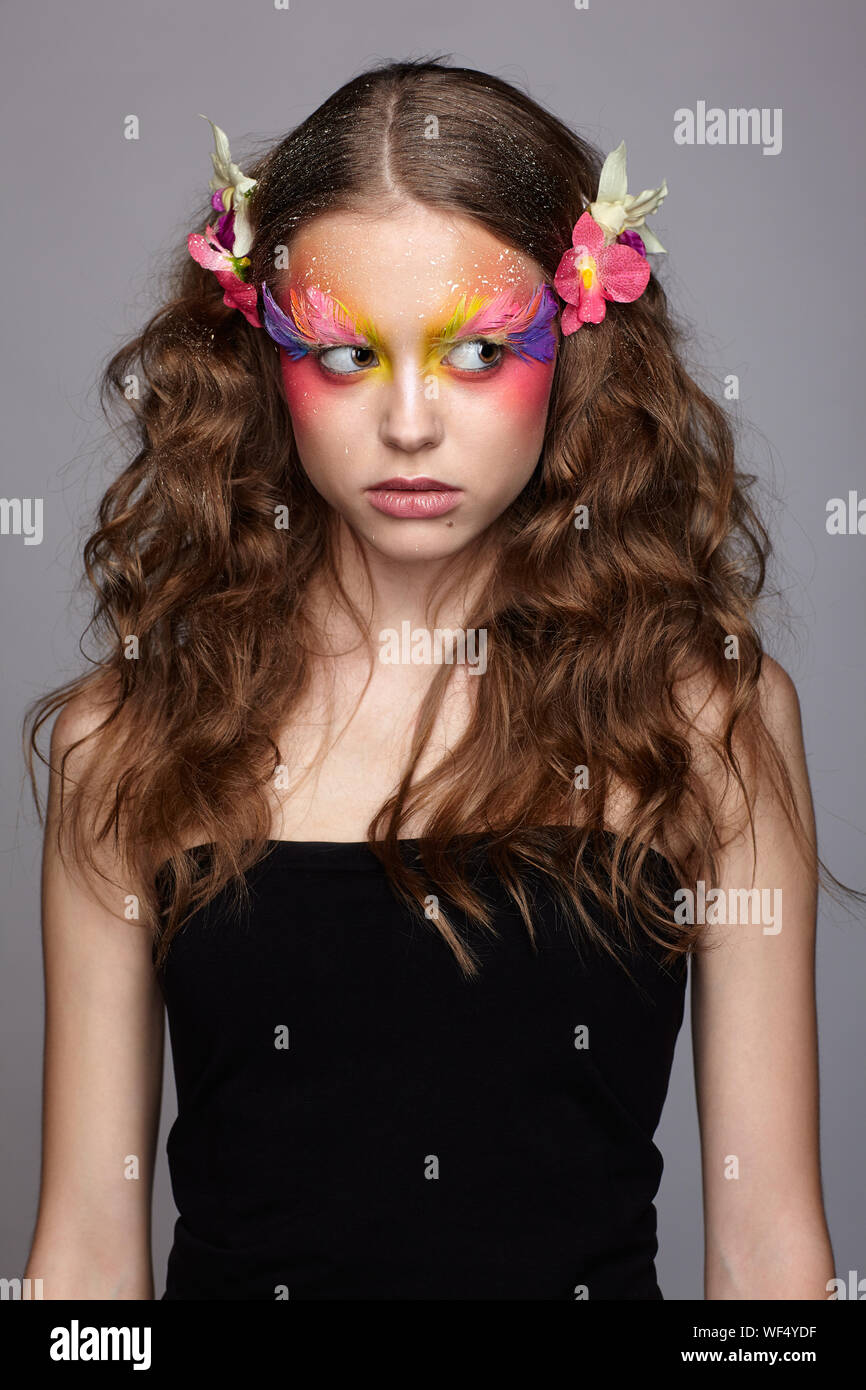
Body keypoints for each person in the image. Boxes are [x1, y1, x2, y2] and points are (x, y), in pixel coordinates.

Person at [23, 57, 837, 1300]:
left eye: (474, 353)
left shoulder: (709, 718)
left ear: (574, 339)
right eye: (347, 357)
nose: (409, 422)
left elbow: (771, 1258)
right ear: (262, 350)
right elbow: (82, 1261)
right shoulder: (128, 737)